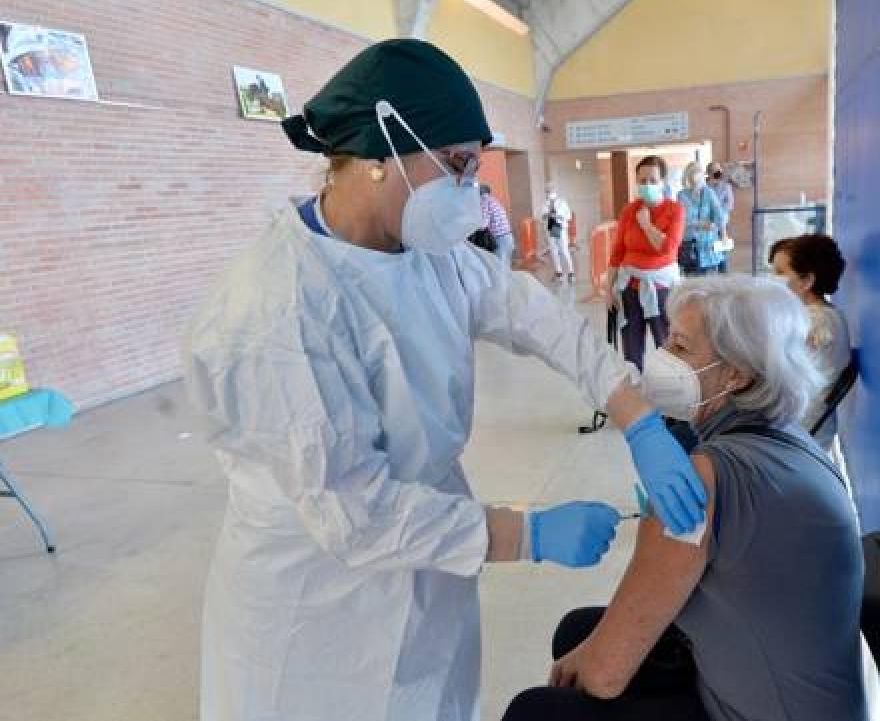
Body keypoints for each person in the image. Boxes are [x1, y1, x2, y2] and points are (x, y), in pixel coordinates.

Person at [184, 39, 707, 721]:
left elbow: (539, 318)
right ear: (379, 156)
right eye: (458, 165)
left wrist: (635, 414)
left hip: (429, 550)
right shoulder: (276, 310)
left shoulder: (426, 255)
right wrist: (529, 535)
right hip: (316, 603)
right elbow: (354, 514)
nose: (470, 188)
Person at [503, 275, 867, 721]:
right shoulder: (793, 439)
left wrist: (588, 658)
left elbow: (604, 674)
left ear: (735, 374)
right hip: (811, 697)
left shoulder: (702, 476)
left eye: (679, 346)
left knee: (537, 711)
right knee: (578, 630)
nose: (659, 359)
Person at [769, 234, 852, 449]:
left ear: (807, 281)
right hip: (795, 428)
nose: (772, 279)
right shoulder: (821, 316)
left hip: (793, 435)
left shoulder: (815, 322)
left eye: (780, 272)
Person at [607, 156, 684, 372]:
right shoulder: (629, 210)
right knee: (631, 348)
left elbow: (668, 247)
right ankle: (636, 388)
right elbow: (617, 252)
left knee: (666, 343)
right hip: (629, 288)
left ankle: (671, 387)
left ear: (662, 182)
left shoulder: (675, 210)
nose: (647, 185)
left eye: (652, 180)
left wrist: (647, 225)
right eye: (642, 181)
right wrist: (608, 290)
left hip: (660, 290)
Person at [676, 162, 725, 277]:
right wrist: (701, 224)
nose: (695, 176)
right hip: (689, 244)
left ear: (702, 175)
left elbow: (719, 214)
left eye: (697, 173)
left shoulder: (709, 192)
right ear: (687, 176)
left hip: (708, 244)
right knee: (691, 280)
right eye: (692, 173)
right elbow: (683, 219)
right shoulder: (682, 195)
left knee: (710, 282)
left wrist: (723, 233)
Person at [543, 182, 575, 283]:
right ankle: (558, 272)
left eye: (551, 190)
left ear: (555, 191)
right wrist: (547, 215)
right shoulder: (545, 203)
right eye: (547, 191)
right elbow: (542, 216)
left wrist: (559, 216)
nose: (549, 192)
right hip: (550, 228)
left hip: (560, 227)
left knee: (564, 250)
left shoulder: (562, 202)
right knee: (554, 251)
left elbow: (569, 216)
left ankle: (571, 272)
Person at [705, 163, 734, 273]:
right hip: (707, 223)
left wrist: (718, 213)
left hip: (722, 223)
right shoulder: (704, 186)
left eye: (718, 169)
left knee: (722, 249)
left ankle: (723, 273)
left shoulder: (726, 186)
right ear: (708, 172)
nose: (717, 171)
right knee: (709, 250)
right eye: (713, 170)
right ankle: (711, 272)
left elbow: (730, 205)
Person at [479, 183, 515, 265]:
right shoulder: (494, 201)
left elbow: (483, 224)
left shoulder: (484, 201)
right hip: (508, 238)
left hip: (500, 240)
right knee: (505, 268)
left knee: (499, 269)